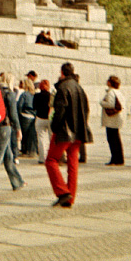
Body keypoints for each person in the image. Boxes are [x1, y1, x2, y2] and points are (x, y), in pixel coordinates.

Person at [45, 62, 92, 207]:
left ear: (62, 73)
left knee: (51, 160)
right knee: (73, 163)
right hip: (78, 131)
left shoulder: (63, 87)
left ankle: (63, 192)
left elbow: (60, 111)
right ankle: (70, 197)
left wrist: (54, 126)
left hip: (64, 131)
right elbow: (87, 109)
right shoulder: (79, 87)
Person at [100, 75, 125, 166]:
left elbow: (110, 104)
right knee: (116, 139)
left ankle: (115, 159)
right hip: (117, 119)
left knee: (112, 139)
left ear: (110, 83)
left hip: (111, 120)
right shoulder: (118, 92)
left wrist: (102, 102)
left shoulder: (111, 92)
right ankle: (119, 158)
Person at [33, 79, 52, 164]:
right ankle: (52, 157)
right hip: (49, 118)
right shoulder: (51, 96)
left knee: (41, 138)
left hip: (40, 118)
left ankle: (42, 158)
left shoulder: (36, 96)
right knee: (51, 138)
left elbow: (34, 107)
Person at [17, 77, 37, 156]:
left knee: (24, 134)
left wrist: (19, 113)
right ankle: (31, 150)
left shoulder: (24, 94)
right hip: (33, 115)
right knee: (30, 135)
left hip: (25, 115)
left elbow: (20, 105)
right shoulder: (34, 94)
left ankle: (24, 150)